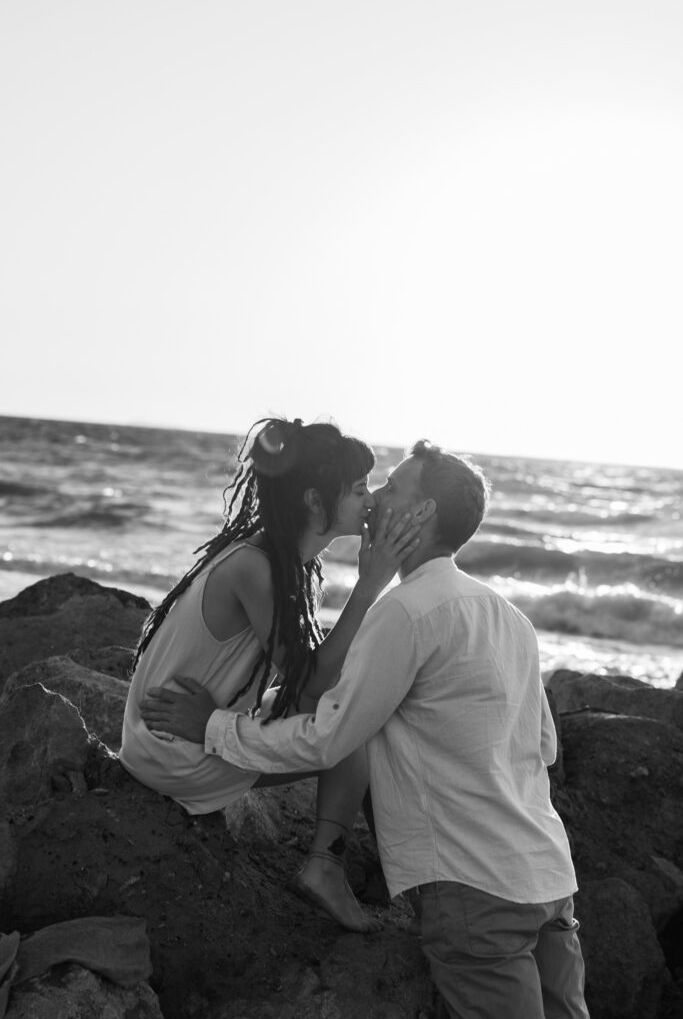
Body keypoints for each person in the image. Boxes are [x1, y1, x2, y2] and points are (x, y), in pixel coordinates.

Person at [140, 439, 590, 1019]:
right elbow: (542, 747)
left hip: (474, 888)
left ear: (422, 513)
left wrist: (215, 727)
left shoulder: (404, 613)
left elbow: (331, 735)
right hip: (548, 877)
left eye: (394, 487)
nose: (376, 496)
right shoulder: (510, 618)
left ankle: (325, 860)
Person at [120, 417, 420, 933]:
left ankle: (393, 872)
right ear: (314, 500)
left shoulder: (278, 559)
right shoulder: (257, 568)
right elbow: (313, 687)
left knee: (355, 709)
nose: (369, 501)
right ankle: (329, 868)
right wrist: (369, 586)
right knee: (354, 729)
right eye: (356, 490)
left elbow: (300, 679)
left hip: (171, 734)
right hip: (176, 748)